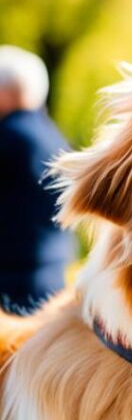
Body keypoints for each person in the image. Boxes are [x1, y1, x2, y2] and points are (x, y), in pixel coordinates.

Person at [0, 46, 76, 314]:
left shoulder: (8, 138)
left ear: (7, 93)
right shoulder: (57, 139)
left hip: (9, 289)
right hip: (52, 281)